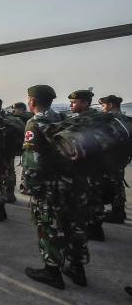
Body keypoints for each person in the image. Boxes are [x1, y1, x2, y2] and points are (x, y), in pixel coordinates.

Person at [23, 85, 89, 290]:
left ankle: (52, 272)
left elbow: (31, 159)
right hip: (75, 183)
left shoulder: (34, 123)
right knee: (74, 225)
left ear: (32, 101)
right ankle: (77, 269)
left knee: (48, 226)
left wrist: (32, 187)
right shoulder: (62, 118)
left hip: (51, 187)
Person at [69, 89, 106, 241]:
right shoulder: (95, 118)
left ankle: (94, 229)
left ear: (84, 103)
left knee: (89, 198)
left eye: (74, 102)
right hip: (94, 166)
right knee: (93, 197)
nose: (71, 105)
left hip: (90, 167)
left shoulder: (89, 120)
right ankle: (94, 228)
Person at [99, 95, 129, 223]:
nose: (102, 108)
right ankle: (118, 211)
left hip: (111, 156)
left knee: (112, 184)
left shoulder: (111, 120)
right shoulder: (126, 119)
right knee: (118, 183)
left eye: (103, 105)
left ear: (110, 105)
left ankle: (117, 213)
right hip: (122, 157)